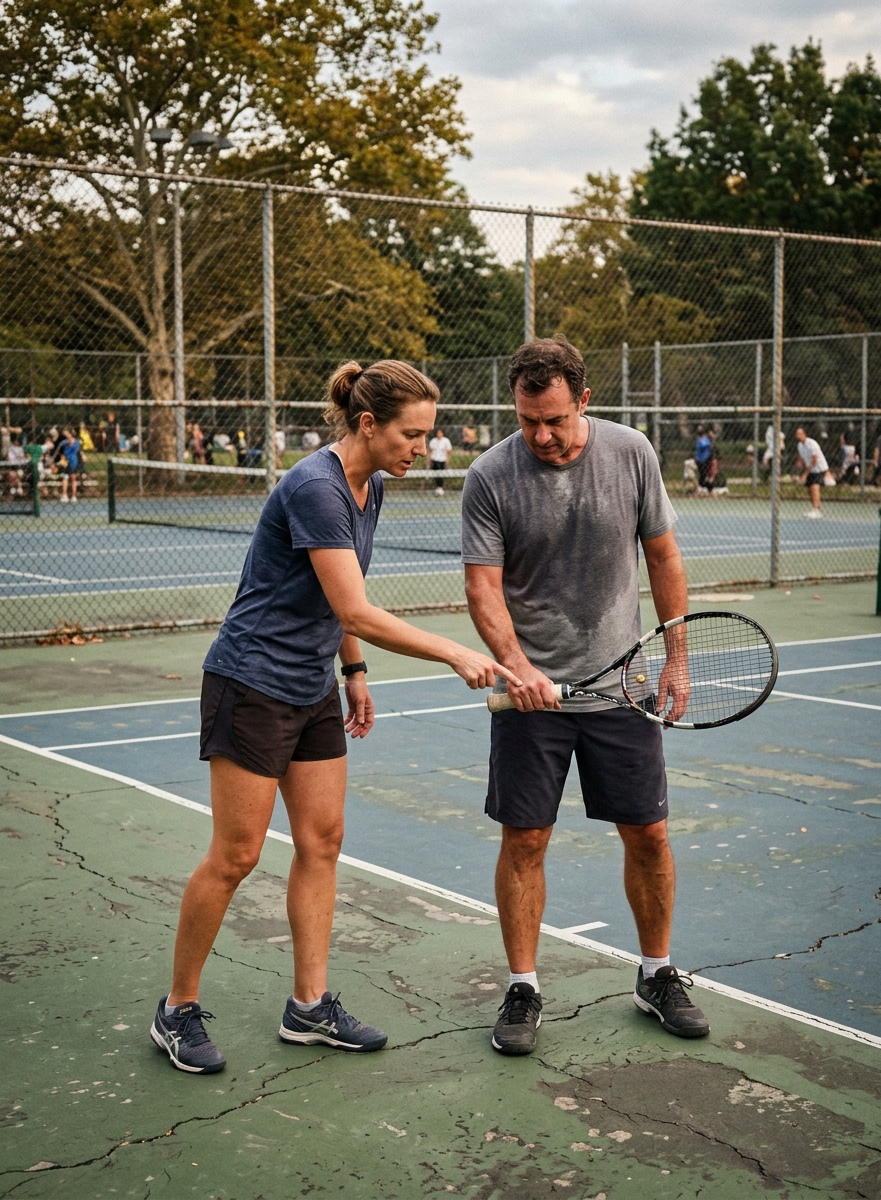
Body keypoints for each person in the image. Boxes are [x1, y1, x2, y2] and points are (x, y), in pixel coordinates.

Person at [152, 359, 520, 1075]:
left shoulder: (371, 483)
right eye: (411, 434)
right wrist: (451, 649)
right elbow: (354, 606)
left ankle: (309, 1006)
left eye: (427, 435)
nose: (422, 447)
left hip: (311, 683)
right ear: (368, 423)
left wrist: (352, 671)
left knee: (322, 841)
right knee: (237, 855)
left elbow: (336, 593)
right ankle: (176, 1010)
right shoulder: (317, 487)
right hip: (251, 681)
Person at [462, 336, 709, 1056]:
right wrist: (516, 665)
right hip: (531, 699)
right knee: (526, 840)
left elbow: (662, 555)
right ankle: (523, 986)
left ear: (584, 402)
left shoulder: (631, 454)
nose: (541, 435)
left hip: (624, 689)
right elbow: (483, 586)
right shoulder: (489, 475)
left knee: (650, 834)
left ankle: (657, 974)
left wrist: (676, 659)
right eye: (528, 420)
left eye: (556, 421)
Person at [795, 426, 828, 518]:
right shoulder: (800, 445)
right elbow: (801, 458)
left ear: (805, 434)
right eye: (797, 434)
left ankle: (816, 510)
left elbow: (815, 459)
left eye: (800, 434)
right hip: (810, 469)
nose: (798, 435)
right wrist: (799, 464)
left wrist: (805, 473)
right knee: (810, 490)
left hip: (819, 468)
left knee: (814, 487)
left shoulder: (812, 443)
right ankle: (815, 509)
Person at [55, 428, 81, 503]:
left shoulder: (76, 442)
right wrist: (62, 456)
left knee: (73, 478)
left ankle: (73, 496)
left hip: (74, 462)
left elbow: (76, 450)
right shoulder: (63, 442)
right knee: (65, 477)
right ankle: (64, 495)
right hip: (66, 463)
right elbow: (58, 451)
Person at [428, 427, 452, 494]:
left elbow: (448, 451)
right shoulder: (433, 441)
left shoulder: (446, 441)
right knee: (436, 474)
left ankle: (440, 487)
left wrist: (447, 460)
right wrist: (428, 462)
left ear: (443, 433)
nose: (439, 434)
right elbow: (430, 451)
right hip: (434, 459)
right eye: (438, 433)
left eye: (440, 432)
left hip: (442, 460)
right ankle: (437, 487)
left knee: (441, 474)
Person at [694, 425, 713, 492]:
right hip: (700, 460)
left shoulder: (705, 440)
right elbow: (698, 450)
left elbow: (707, 446)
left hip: (706, 460)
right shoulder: (699, 440)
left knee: (704, 475)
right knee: (702, 475)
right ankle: (702, 487)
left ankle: (707, 487)